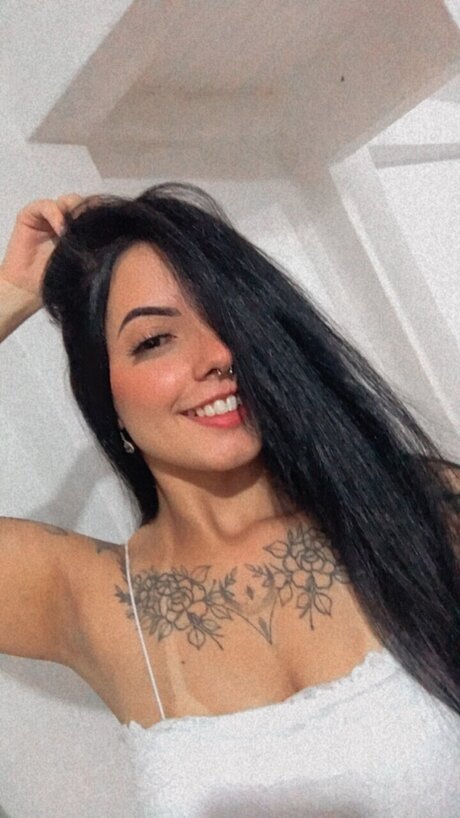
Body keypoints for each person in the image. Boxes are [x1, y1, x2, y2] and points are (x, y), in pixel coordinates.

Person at [0, 182, 459, 817]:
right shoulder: (85, 596)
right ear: (104, 393)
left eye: (230, 322)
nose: (218, 356)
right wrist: (14, 293)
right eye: (155, 340)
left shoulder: (419, 505)